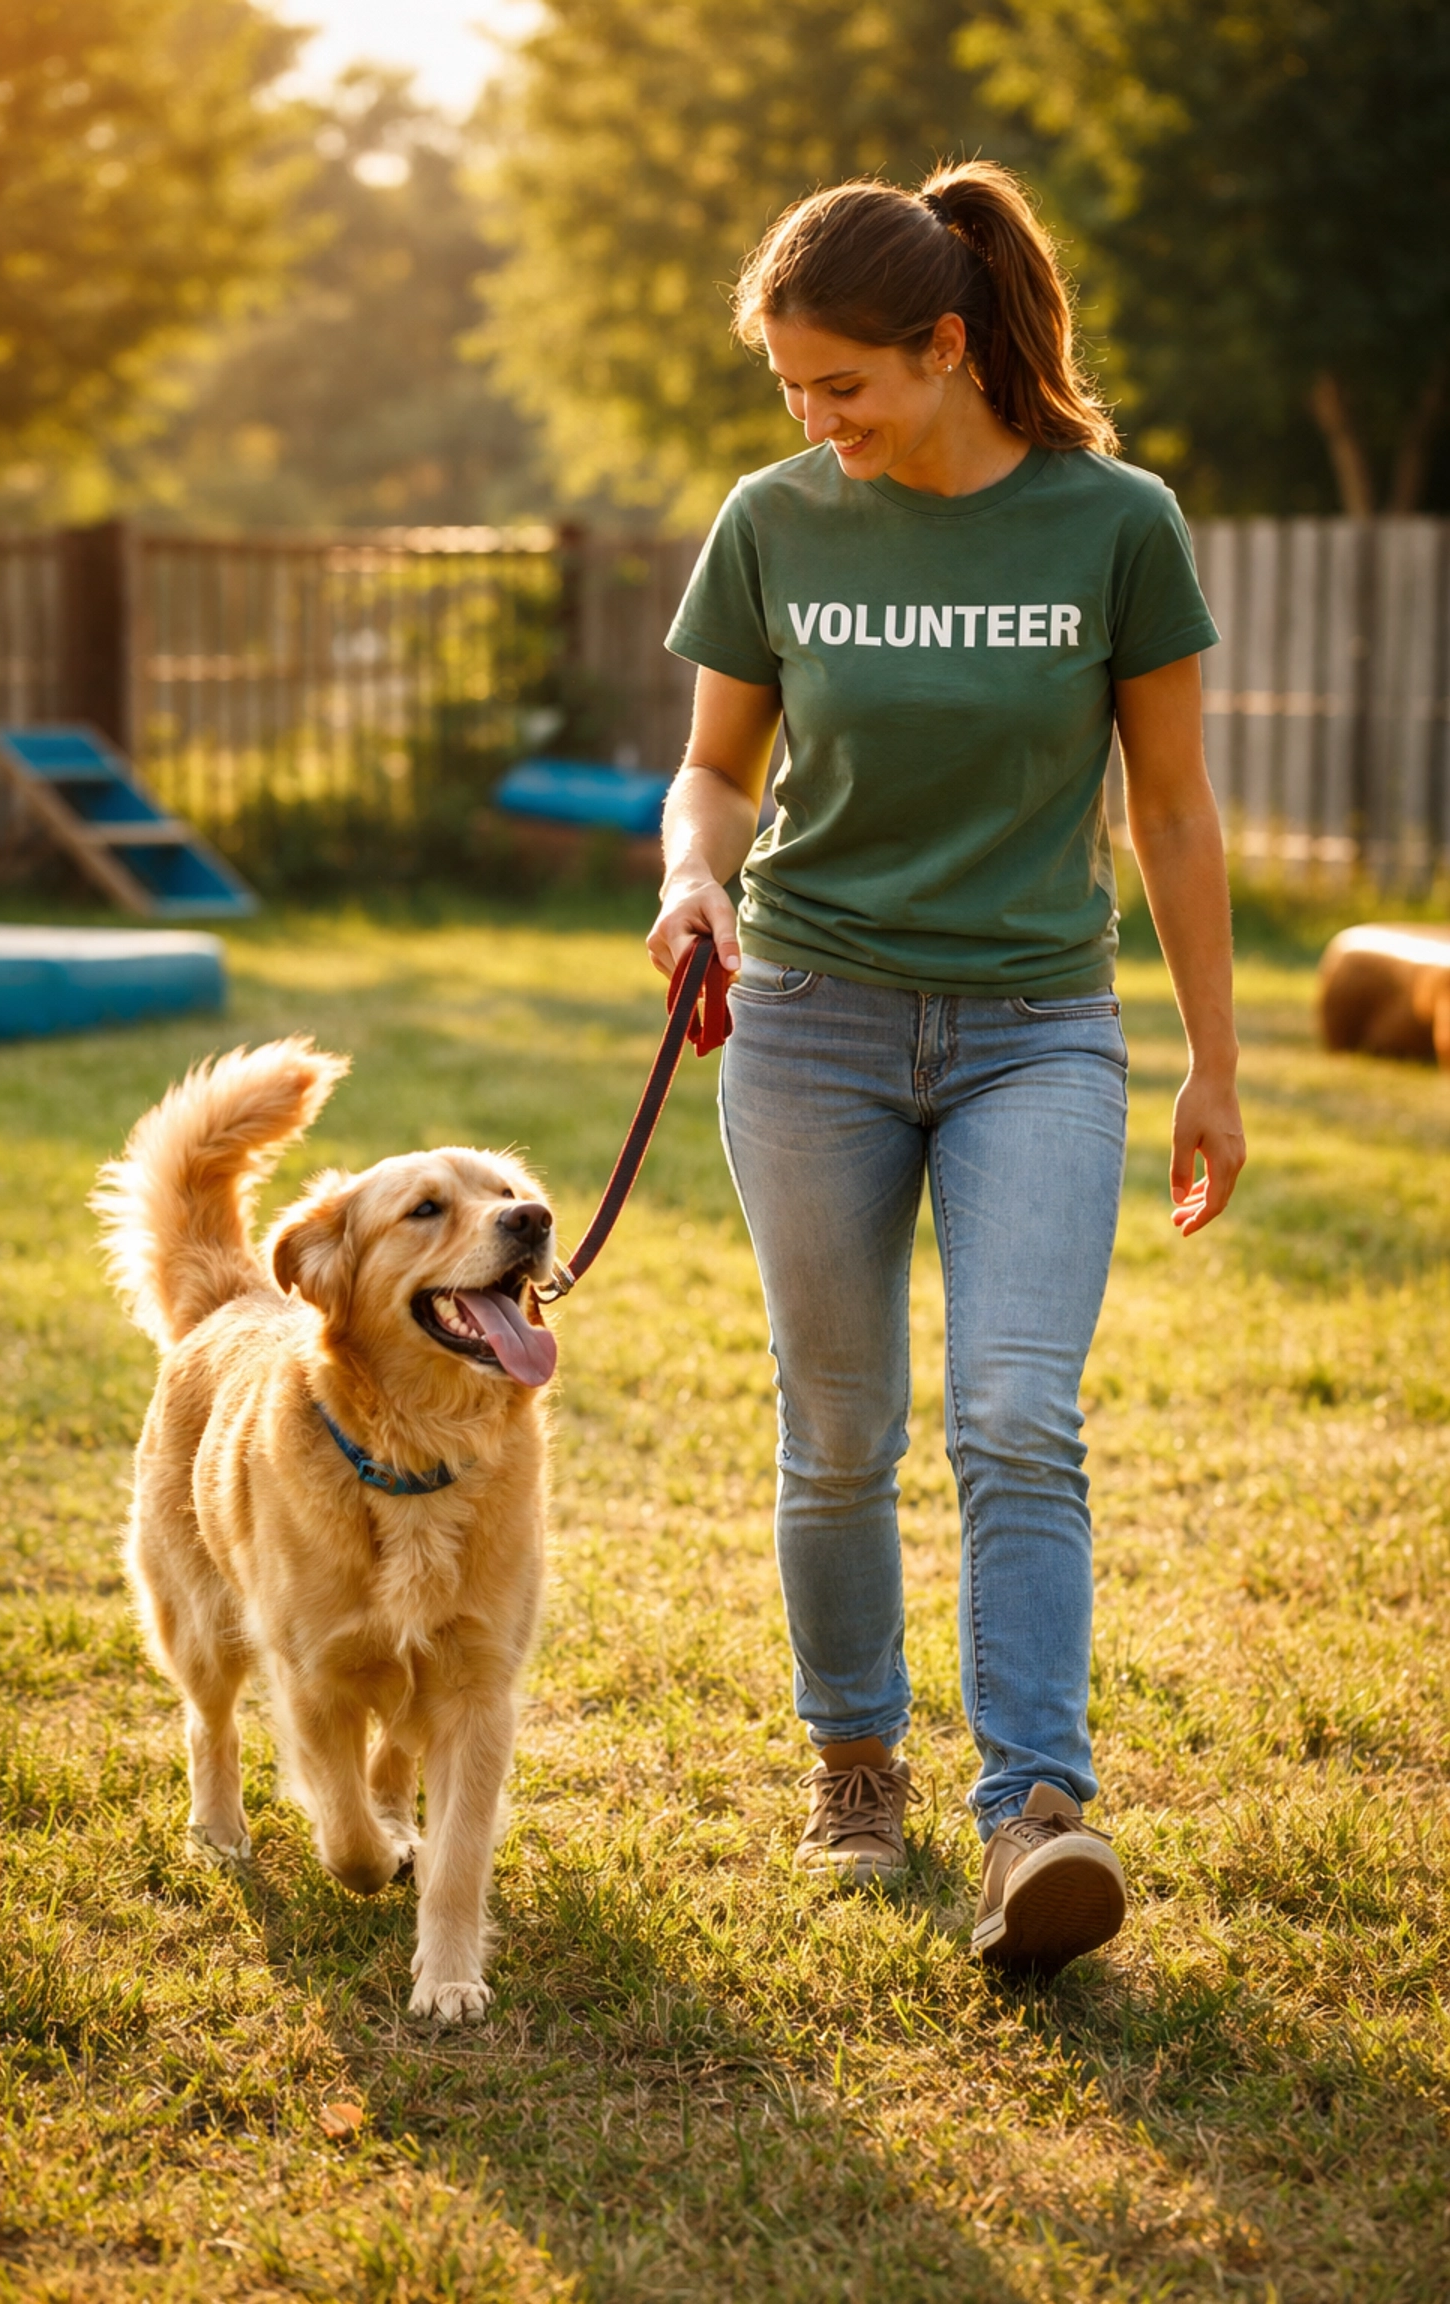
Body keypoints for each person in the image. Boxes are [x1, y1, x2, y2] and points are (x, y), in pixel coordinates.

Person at [647, 162, 1245, 1976]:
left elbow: (1173, 806)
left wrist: (1216, 1063)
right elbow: (715, 775)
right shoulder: (774, 520)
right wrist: (691, 876)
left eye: (846, 387)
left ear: (947, 346)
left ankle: (1037, 1817)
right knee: (839, 1427)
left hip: (1037, 1029)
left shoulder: (1116, 524)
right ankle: (853, 1768)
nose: (819, 427)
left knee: (1014, 1416)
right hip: (812, 1018)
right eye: (792, 395)